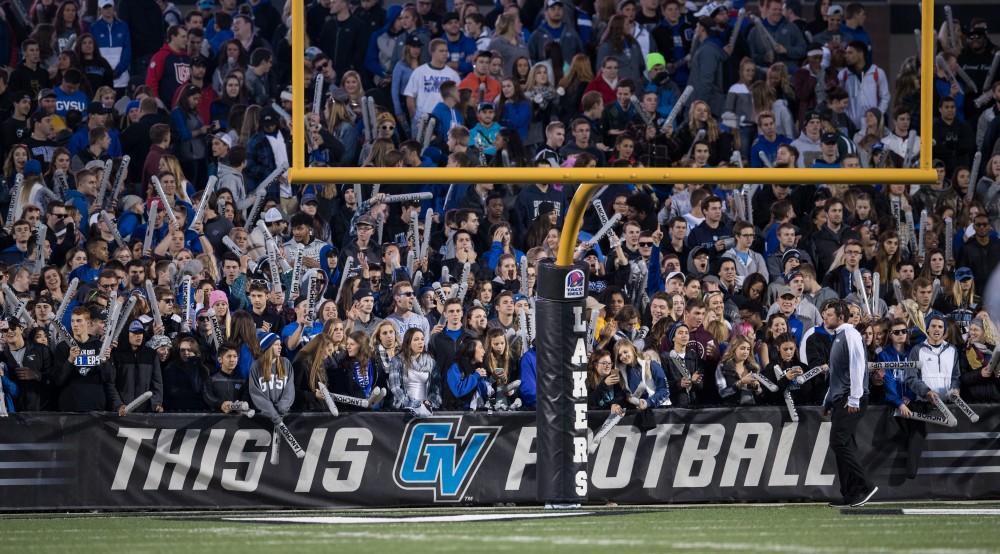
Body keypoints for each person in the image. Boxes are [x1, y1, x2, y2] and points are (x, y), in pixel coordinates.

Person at [823, 300, 878, 508]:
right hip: (841, 398)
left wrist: (854, 397)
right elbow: (837, 374)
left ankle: (865, 486)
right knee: (844, 444)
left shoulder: (850, 334)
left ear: (841, 316)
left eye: (829, 314)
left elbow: (857, 365)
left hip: (850, 398)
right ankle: (850, 494)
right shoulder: (838, 336)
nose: (825, 317)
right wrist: (828, 400)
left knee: (838, 442)